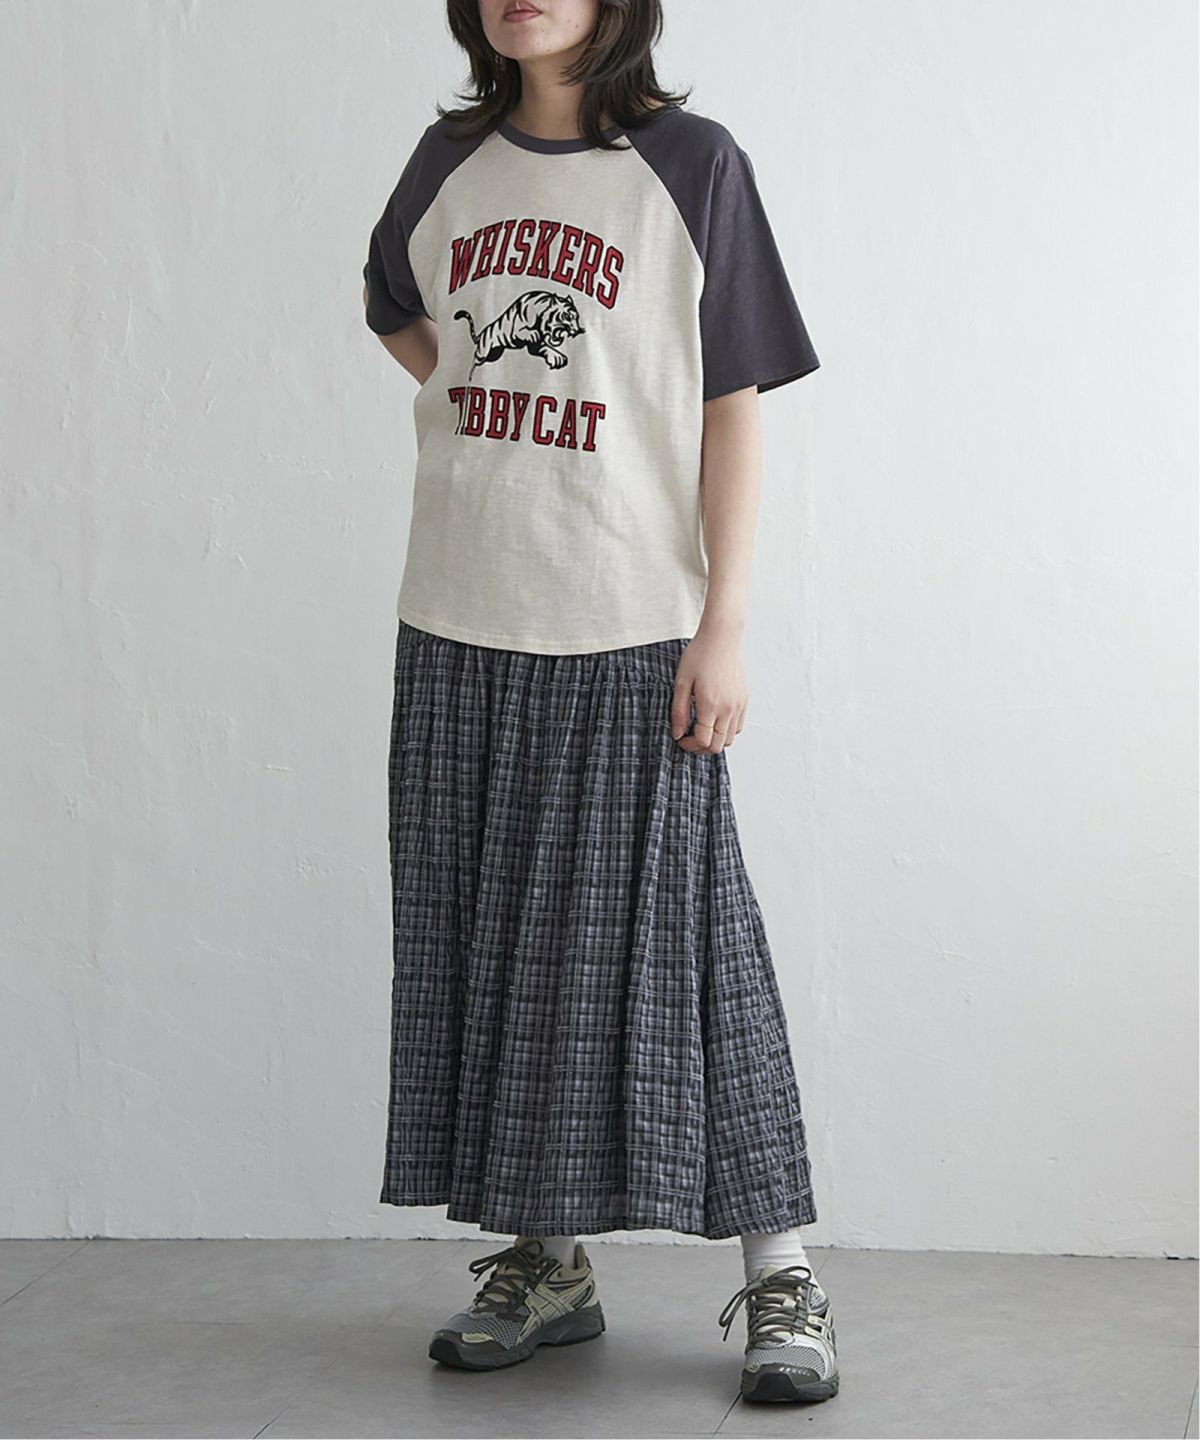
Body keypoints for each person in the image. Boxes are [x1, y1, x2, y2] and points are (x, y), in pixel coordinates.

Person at [361, 0, 838, 1406]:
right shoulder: (446, 164)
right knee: (496, 943)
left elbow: (732, 404)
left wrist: (723, 624)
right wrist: (482, 399)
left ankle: (783, 1271)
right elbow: (395, 308)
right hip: (458, 615)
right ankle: (549, 1259)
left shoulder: (694, 166)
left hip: (631, 627)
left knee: (691, 945)